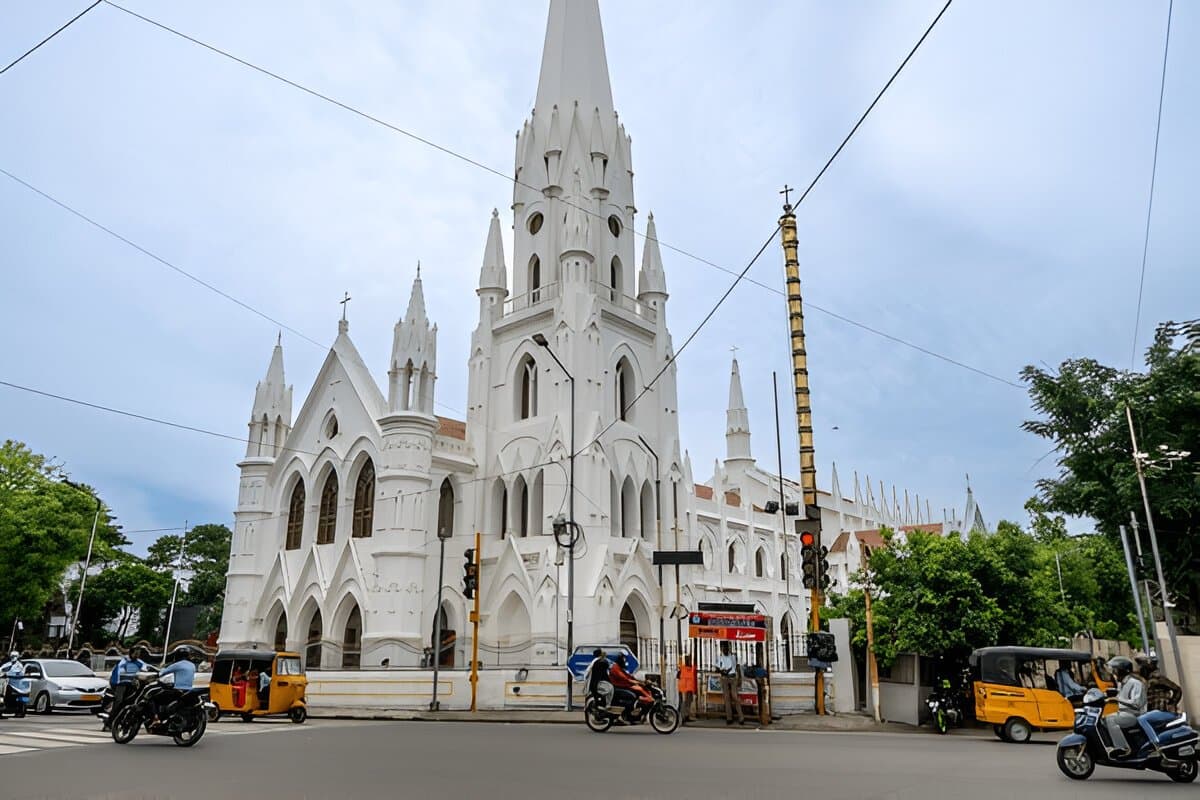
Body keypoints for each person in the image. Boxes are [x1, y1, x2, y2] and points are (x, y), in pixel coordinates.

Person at [1103, 656, 1146, 758]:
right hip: (1124, 713)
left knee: (1111, 720)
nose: (1114, 673)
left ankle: (1123, 748)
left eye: (1116, 670)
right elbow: (1120, 695)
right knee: (1103, 720)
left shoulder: (1135, 683)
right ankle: (1111, 745)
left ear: (1123, 670)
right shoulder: (1121, 683)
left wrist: (1117, 699)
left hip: (1136, 714)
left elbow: (1137, 704)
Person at [104, 646, 147, 731]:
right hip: (120, 684)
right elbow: (120, 672)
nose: (137, 655)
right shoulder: (123, 661)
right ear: (131, 653)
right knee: (119, 702)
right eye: (136, 653)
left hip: (132, 685)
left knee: (134, 701)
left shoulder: (140, 662)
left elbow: (146, 669)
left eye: (139, 653)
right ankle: (109, 723)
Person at [153, 646, 197, 726]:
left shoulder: (177, 665)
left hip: (178, 690)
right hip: (189, 690)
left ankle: (156, 719)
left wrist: (160, 669)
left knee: (154, 699)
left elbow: (162, 673)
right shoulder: (193, 666)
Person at [608, 654, 652, 720]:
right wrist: (639, 683)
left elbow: (629, 677)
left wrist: (642, 681)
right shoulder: (615, 669)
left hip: (624, 686)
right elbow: (626, 679)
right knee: (632, 696)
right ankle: (624, 715)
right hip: (617, 688)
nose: (625, 662)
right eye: (624, 660)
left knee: (637, 692)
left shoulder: (620, 668)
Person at [716, 642, 745, 726]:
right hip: (724, 678)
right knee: (727, 698)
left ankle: (741, 717)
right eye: (724, 648)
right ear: (722, 648)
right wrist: (722, 671)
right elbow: (717, 668)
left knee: (735, 696)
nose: (726, 649)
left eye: (727, 647)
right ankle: (729, 717)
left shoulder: (733, 657)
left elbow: (737, 667)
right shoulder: (720, 657)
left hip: (732, 677)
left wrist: (739, 678)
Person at [1, 652, 28, 718]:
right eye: (12, 656)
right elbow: (1, 669)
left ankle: (16, 709)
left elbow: (18, 672)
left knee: (11, 694)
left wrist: (7, 673)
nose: (13, 657)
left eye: (15, 656)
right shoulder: (8, 664)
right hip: (8, 683)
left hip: (17, 684)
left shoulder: (19, 665)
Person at [677, 655, 697, 724]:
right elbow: (678, 677)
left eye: (689, 660)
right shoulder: (682, 668)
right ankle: (683, 718)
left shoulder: (691, 668)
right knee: (684, 703)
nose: (689, 661)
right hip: (684, 689)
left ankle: (686, 716)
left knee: (688, 702)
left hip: (690, 688)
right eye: (687, 660)